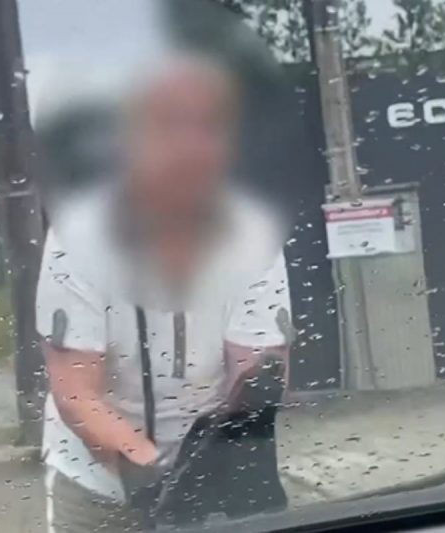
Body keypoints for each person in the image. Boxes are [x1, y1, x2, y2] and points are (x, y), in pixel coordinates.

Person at [35, 51, 293, 533]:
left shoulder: (253, 235)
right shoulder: (78, 238)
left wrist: (221, 461)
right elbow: (75, 393)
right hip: (96, 476)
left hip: (210, 467)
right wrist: (150, 474)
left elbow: (254, 374)